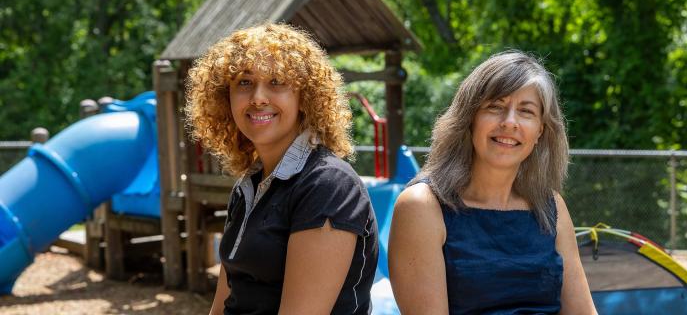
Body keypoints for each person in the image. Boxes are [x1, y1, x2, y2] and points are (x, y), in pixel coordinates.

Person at [185, 23, 378, 315]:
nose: (258, 97)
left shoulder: (328, 185)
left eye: (276, 82)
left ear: (304, 98)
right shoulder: (248, 187)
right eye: (245, 83)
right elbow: (225, 301)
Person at [388, 51, 596, 314]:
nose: (510, 122)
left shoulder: (551, 206)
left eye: (526, 111)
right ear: (469, 118)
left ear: (540, 131)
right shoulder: (423, 206)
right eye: (495, 107)